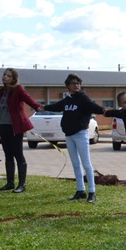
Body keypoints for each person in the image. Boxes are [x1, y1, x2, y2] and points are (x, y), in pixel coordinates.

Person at [42, 74, 105, 203]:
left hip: (81, 134)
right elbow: (56, 106)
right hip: (69, 135)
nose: (76, 85)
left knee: (86, 163)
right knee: (75, 164)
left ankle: (92, 192)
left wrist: (105, 111)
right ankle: (80, 190)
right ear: (68, 86)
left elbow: (93, 106)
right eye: (73, 83)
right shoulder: (68, 99)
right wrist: (44, 107)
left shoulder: (83, 98)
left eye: (78, 83)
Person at [0, 68, 42, 193]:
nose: (5, 77)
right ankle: (10, 183)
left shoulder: (18, 89)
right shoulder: (1, 92)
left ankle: (21, 185)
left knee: (18, 154)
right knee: (8, 155)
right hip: (3, 126)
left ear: (14, 79)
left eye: (9, 76)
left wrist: (38, 107)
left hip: (15, 127)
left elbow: (28, 99)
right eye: (4, 75)